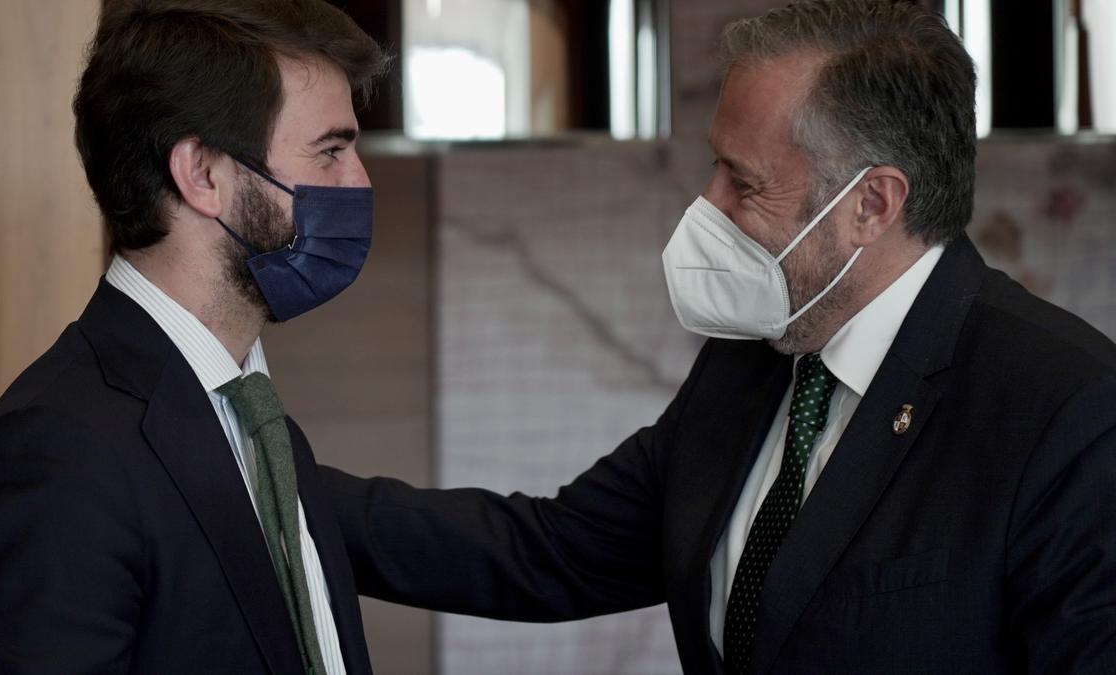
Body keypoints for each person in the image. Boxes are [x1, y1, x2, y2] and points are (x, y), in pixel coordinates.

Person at [324, 1, 1116, 673]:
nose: (707, 204)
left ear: (871, 204)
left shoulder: (1069, 412)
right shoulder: (758, 355)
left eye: (744, 181)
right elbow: (548, 550)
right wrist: (265, 478)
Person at [0, 1, 389, 672]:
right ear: (202, 175)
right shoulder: (51, 461)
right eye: (331, 152)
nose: (360, 183)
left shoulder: (254, 424)